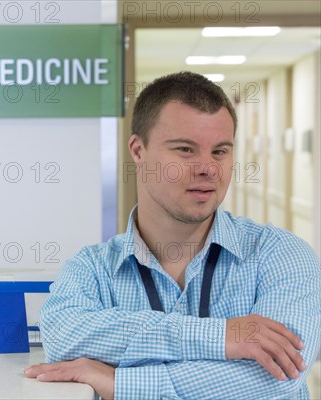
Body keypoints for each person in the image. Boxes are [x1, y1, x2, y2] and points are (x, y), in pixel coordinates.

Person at [24, 71, 321, 399]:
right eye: (185, 150)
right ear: (138, 151)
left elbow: (278, 378)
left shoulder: (281, 255)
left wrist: (121, 383)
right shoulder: (93, 268)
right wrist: (221, 337)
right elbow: (62, 337)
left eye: (220, 151)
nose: (207, 168)